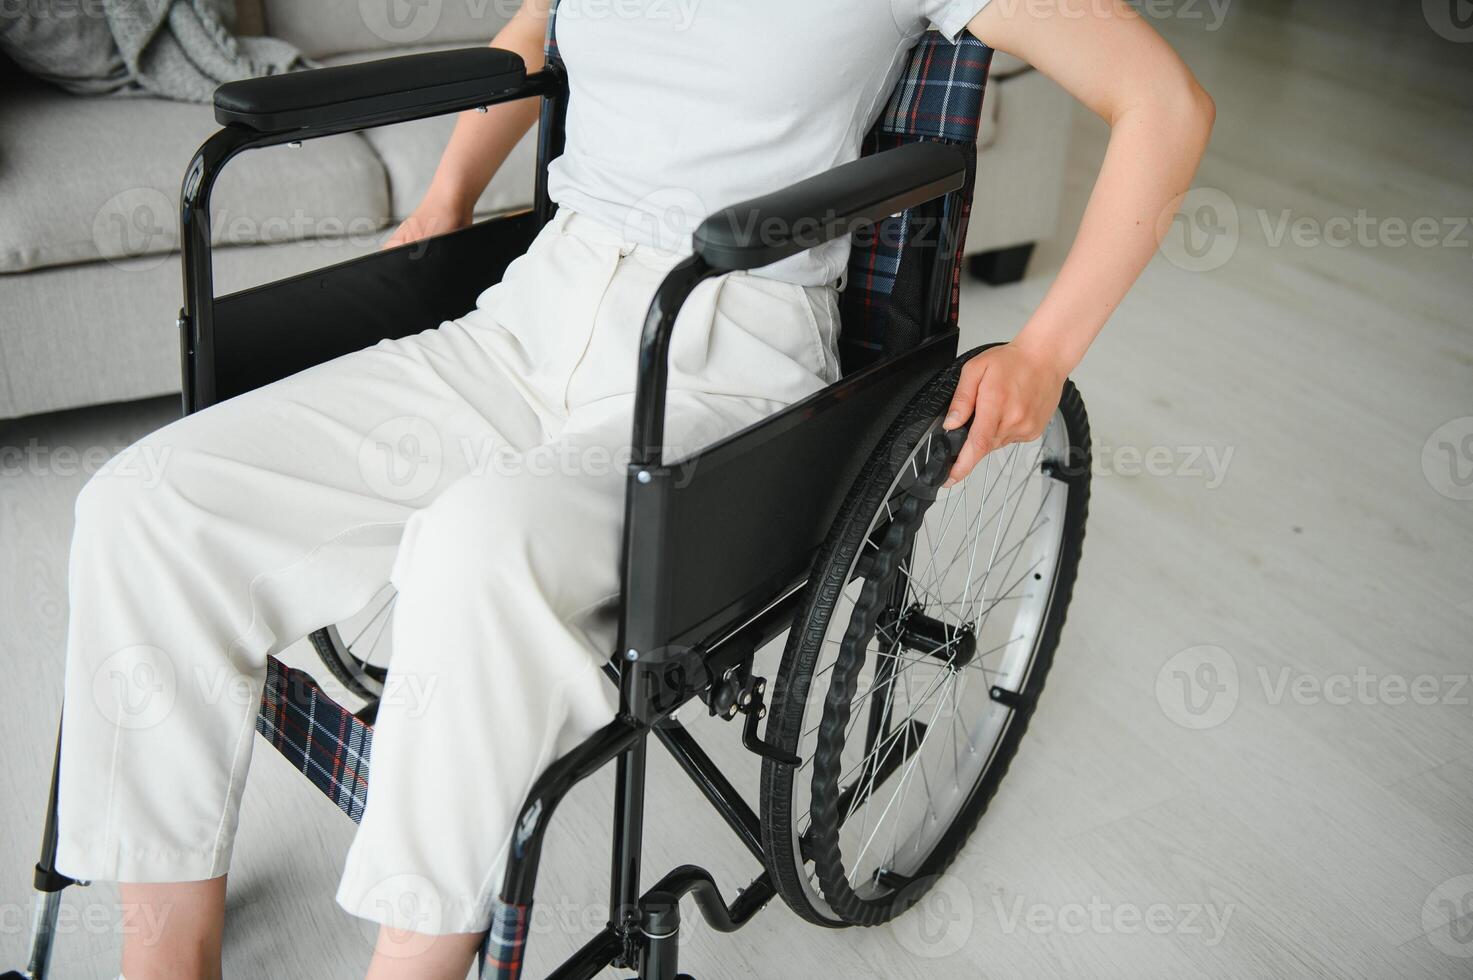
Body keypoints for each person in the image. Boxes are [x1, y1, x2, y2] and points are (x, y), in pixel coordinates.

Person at [55, 1, 1214, 977]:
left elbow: (1166, 104)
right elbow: (534, 31)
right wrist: (447, 195)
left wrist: (1046, 349)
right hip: (531, 310)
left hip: (725, 351)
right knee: (146, 504)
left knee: (477, 547)